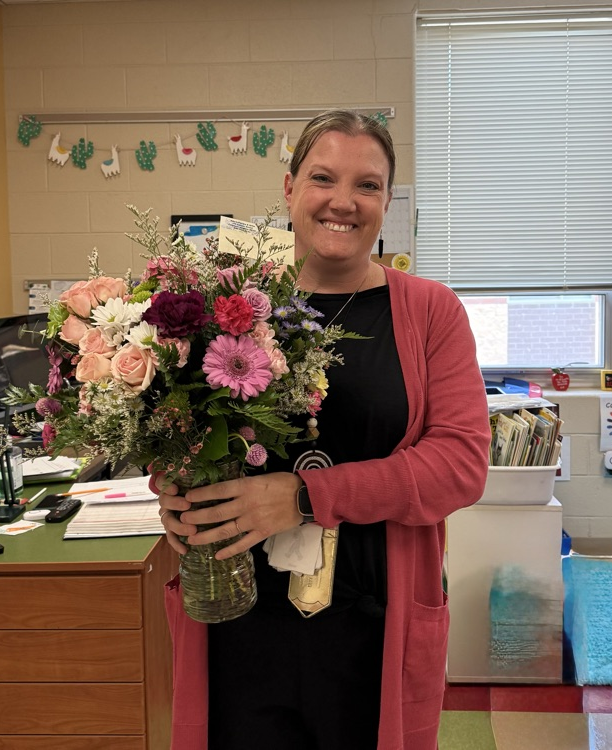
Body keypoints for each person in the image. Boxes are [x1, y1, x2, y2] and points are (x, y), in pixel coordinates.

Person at [155, 109, 491, 750]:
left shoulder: (431, 312)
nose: (344, 202)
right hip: (239, 615)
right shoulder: (223, 308)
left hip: (373, 618)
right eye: (323, 178)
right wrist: (172, 490)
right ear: (288, 189)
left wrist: (306, 497)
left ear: (388, 201)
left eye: (368, 185)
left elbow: (459, 464)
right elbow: (181, 425)